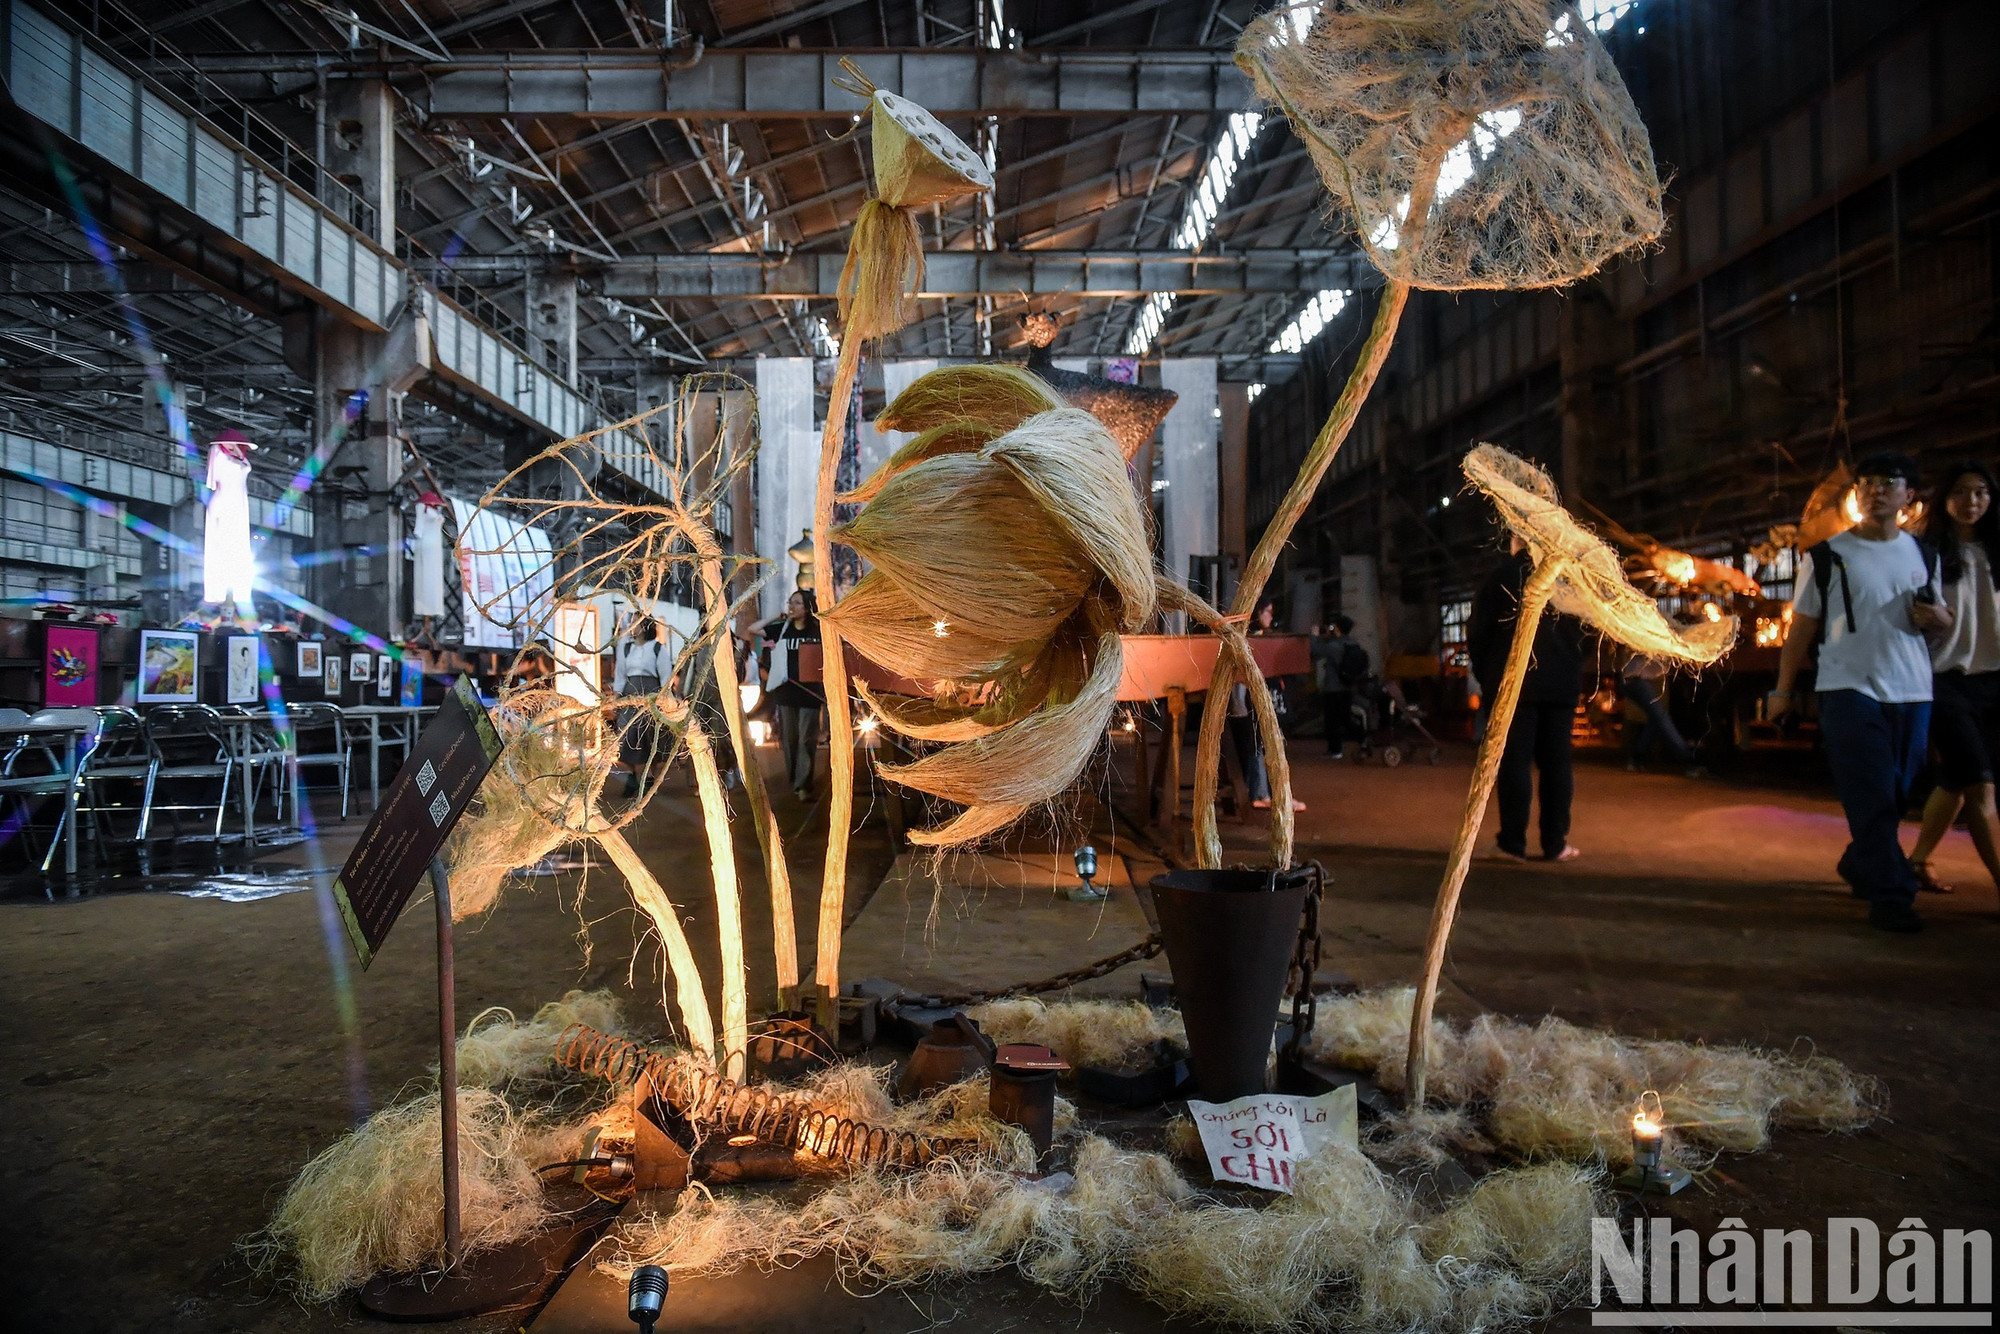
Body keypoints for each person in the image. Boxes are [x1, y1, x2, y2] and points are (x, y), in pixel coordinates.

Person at [1772, 451, 1943, 933]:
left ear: (1909, 495)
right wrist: (1782, 690)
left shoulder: (1924, 555)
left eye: (1889, 482)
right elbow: (1801, 629)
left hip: (1912, 691)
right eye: (1866, 482)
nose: (1875, 489)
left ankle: (1857, 861)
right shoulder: (1828, 557)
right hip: (1847, 687)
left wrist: (1942, 622)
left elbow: (1939, 624)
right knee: (1869, 794)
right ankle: (1893, 896)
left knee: (1896, 794)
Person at [1907, 462, 2000, 895]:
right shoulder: (1926, 554)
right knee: (1980, 783)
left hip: (1994, 679)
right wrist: (1926, 615)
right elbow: (1902, 608)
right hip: (1943, 678)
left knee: (1958, 780)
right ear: (1944, 500)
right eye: (1961, 492)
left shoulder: (1996, 550)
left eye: (1980, 492)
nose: (1972, 502)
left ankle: (1919, 860)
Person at [1469, 534, 1585, 861]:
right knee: (1557, 764)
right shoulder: (1571, 582)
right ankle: (1555, 843)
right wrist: (1571, 665)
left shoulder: (1503, 577)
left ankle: (1512, 843)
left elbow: (1478, 633)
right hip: (1561, 685)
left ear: (1517, 540)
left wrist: (1489, 675)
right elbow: (1589, 633)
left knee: (1515, 762)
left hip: (1513, 686)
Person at [1235, 599, 1305, 812]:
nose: (1270, 617)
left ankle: (1272, 793)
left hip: (1266, 698)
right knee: (1261, 746)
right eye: (1267, 612)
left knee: (1268, 745)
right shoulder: (1254, 640)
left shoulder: (1264, 638)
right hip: (1259, 699)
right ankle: (1262, 793)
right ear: (1258, 614)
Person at [760, 590, 824, 799]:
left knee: (807, 739)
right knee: (790, 740)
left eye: (797, 603)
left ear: (807, 607)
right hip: (785, 693)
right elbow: (753, 629)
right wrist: (777, 617)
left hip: (810, 693)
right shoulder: (782, 629)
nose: (792, 606)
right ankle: (795, 781)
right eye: (791, 602)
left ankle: (803, 784)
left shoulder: (817, 631)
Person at [1621, 650, 1700, 775]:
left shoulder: (1666, 641)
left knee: (1655, 719)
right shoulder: (1652, 638)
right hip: (1637, 681)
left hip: (1642, 681)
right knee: (1661, 718)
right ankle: (1690, 760)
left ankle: (1637, 758)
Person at [614, 619, 666, 797]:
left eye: (635, 623)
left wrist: (665, 701)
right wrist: (616, 697)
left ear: (644, 627)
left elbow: (666, 677)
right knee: (626, 733)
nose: (631, 627)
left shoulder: (658, 649)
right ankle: (631, 775)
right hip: (630, 694)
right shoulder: (626, 648)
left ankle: (650, 777)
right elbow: (620, 675)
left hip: (651, 694)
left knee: (649, 735)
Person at [1311, 614, 1368, 757]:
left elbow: (1316, 649)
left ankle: (1336, 749)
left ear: (1337, 628)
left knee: (1332, 720)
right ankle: (1362, 739)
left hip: (1333, 689)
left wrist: (1314, 635)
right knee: (1345, 718)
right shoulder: (1351, 644)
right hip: (1347, 687)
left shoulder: (1335, 646)